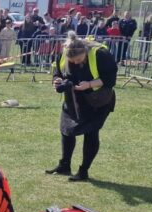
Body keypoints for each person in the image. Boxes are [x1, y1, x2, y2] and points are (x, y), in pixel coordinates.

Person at [47, 32, 117, 182]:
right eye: (72, 61)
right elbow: (58, 72)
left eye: (78, 60)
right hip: (74, 100)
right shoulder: (64, 54)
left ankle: (83, 171)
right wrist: (57, 81)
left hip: (97, 101)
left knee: (91, 133)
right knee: (66, 131)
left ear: (84, 51)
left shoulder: (101, 55)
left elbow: (110, 79)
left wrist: (89, 84)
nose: (76, 63)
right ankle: (64, 165)